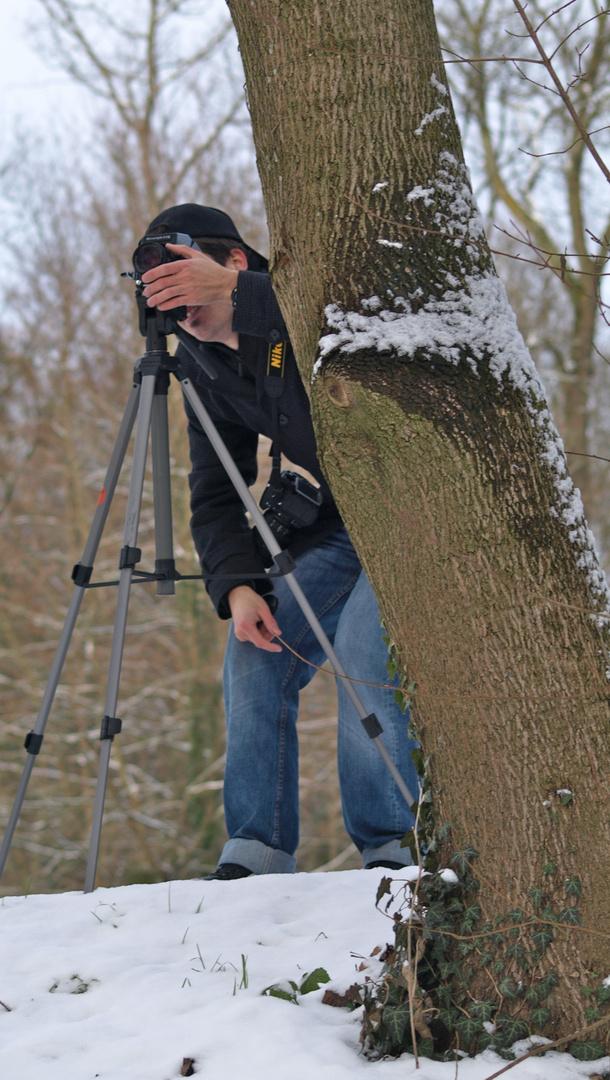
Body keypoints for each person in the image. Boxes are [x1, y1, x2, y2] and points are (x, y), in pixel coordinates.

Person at [140, 204, 419, 878]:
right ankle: (257, 850)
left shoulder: (303, 302)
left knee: (359, 646)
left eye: (185, 279)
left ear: (233, 260)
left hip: (410, 519)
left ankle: (392, 847)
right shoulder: (199, 364)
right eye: (158, 289)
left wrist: (237, 294)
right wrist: (236, 584)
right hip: (331, 530)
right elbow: (214, 489)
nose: (181, 305)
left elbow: (367, 328)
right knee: (255, 647)